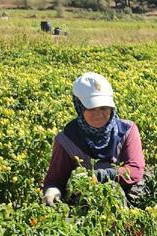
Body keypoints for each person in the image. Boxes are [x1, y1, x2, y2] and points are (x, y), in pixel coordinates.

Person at [42, 72, 146, 206]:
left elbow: (134, 169)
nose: (98, 114)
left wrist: (99, 176)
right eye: (91, 108)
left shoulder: (127, 130)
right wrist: (52, 191)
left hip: (127, 196)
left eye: (104, 108)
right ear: (79, 107)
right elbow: (56, 179)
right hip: (84, 200)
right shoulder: (67, 139)